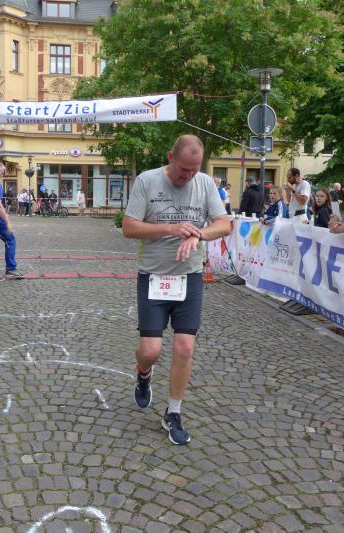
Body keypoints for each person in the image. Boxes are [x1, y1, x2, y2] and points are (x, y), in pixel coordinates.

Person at [122, 134, 231, 445]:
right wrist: (171, 228)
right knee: (150, 351)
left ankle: (173, 412)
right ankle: (143, 373)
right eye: (184, 169)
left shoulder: (205, 183)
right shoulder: (147, 181)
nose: (189, 176)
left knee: (185, 347)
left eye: (195, 169)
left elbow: (224, 224)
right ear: (171, 157)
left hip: (189, 277)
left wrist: (199, 234)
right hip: (154, 276)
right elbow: (129, 227)